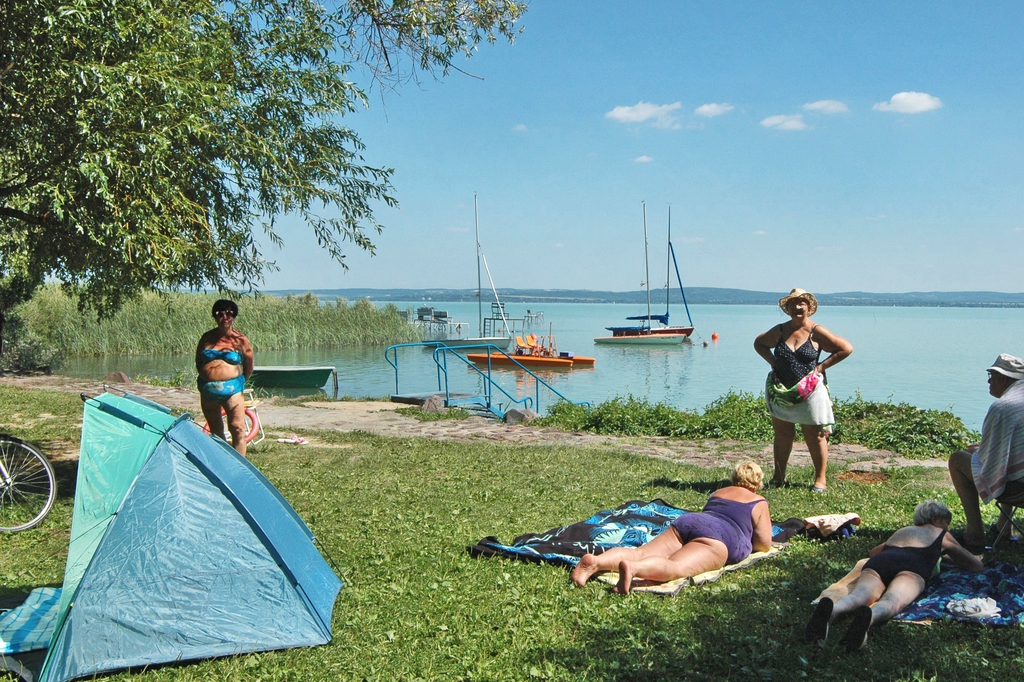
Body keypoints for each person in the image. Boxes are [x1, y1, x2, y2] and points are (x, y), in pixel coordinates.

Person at [805, 500, 983, 653]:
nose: (948, 527)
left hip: (881, 562)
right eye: (946, 522)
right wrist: (940, 553)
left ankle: (832, 611)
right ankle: (870, 618)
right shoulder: (941, 534)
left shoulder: (903, 531)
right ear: (936, 519)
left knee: (858, 596)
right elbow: (974, 564)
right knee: (891, 601)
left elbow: (873, 552)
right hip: (913, 567)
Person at [571, 461, 772, 594]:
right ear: (757, 483)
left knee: (640, 552)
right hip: (718, 537)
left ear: (734, 477)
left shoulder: (718, 493)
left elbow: (711, 515)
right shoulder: (758, 501)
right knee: (675, 566)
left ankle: (595, 562)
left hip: (690, 521)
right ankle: (633, 569)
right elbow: (763, 544)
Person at [754, 288, 853, 492]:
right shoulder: (780, 330)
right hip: (781, 389)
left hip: (811, 390)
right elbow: (759, 343)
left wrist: (822, 367)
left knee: (815, 435)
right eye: (793, 304)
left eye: (802, 304)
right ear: (787, 309)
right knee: (782, 434)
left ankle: (820, 480)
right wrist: (773, 362)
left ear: (809, 308)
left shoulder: (816, 331)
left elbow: (846, 348)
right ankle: (779, 477)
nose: (797, 307)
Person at [947, 353, 1024, 551]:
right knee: (1011, 462)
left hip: (1020, 492)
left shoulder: (1003, 408)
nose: (989, 381)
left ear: (1003, 378)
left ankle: (974, 535)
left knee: (958, 459)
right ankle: (1003, 529)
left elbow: (992, 463)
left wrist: (979, 452)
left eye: (991, 376)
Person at [196, 299, 254, 456]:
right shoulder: (206, 338)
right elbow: (199, 362)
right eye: (220, 314)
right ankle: (222, 462)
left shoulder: (241, 340)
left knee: (237, 427)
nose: (225, 317)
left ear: (234, 316)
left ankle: (239, 465)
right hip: (208, 390)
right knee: (215, 429)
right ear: (214, 316)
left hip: (233, 389)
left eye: (229, 313)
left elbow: (248, 367)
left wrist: (238, 381)